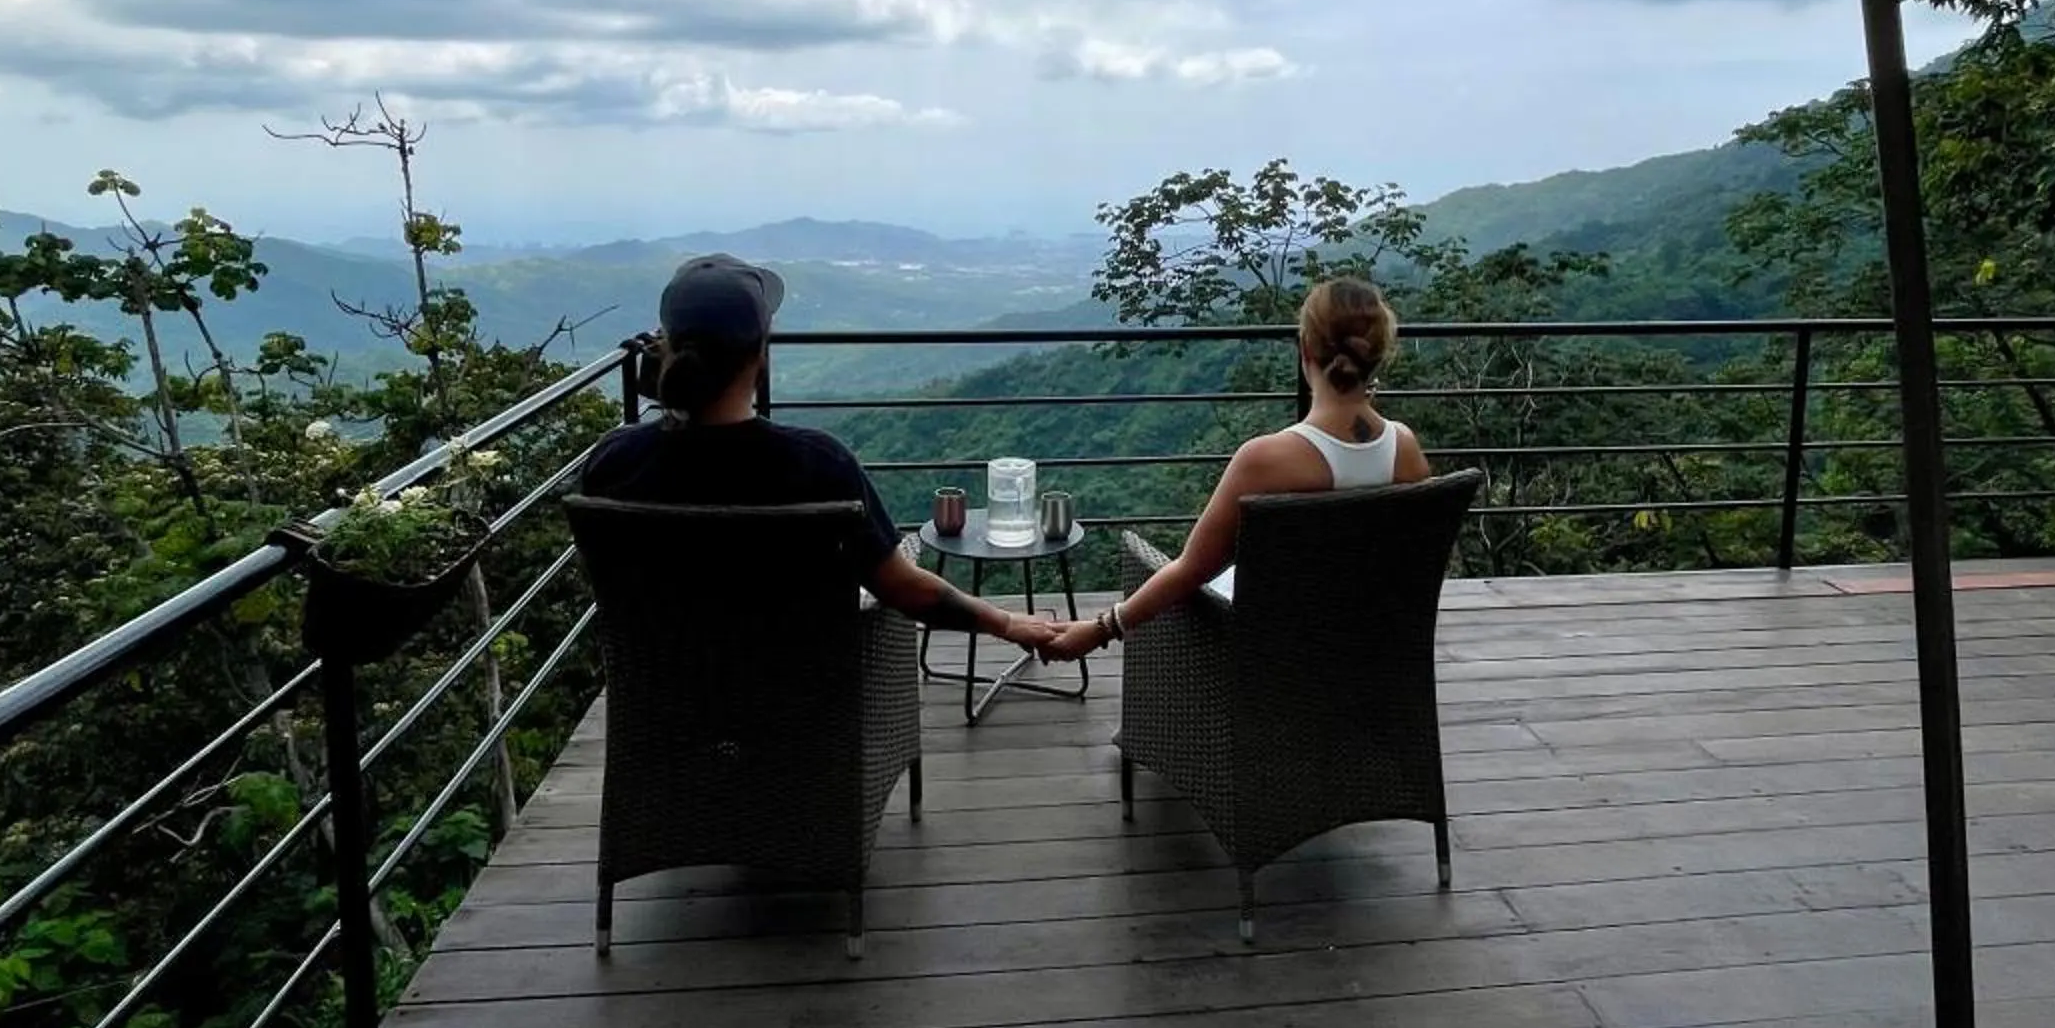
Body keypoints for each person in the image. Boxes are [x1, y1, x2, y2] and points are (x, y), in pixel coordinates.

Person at [580, 253, 1062, 654]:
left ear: (666, 349)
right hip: (802, 717)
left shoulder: (614, 461)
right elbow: (905, 590)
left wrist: (668, 405)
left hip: (665, 717)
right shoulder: (817, 465)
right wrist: (1007, 623)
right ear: (761, 353)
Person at [1042, 275, 1429, 664]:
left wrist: (1100, 629)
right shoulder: (1406, 449)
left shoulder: (1265, 460)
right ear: (1377, 355)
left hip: (1273, 657)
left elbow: (1192, 570)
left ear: (1305, 348)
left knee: (1188, 584)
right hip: (1374, 652)